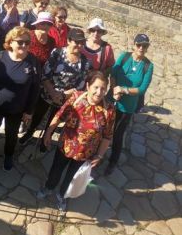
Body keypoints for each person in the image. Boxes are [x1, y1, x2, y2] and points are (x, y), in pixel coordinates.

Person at [38, 71, 115, 212]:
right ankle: (48, 187)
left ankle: (62, 195)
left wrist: (99, 155)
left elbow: (107, 136)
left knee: (72, 177)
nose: (99, 92)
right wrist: (48, 133)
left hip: (86, 153)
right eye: (96, 87)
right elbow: (60, 115)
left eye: (103, 88)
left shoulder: (109, 110)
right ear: (88, 86)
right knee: (56, 170)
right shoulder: (76, 98)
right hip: (65, 146)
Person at [0, 26, 41, 170]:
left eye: (27, 42)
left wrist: (29, 111)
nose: (24, 45)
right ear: (11, 42)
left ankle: (8, 155)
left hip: (17, 108)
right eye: (20, 42)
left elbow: (35, 88)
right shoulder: (0, 58)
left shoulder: (33, 62)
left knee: (12, 133)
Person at [19, 28, 90, 148]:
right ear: (68, 40)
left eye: (82, 42)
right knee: (38, 116)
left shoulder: (85, 62)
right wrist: (53, 93)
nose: (79, 45)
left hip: (65, 98)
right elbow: (45, 74)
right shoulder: (57, 53)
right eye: (76, 42)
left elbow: (80, 85)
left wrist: (64, 95)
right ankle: (30, 132)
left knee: (54, 121)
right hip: (47, 93)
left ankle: (45, 139)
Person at [105, 34, 154, 175]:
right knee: (103, 127)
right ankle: (96, 153)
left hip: (127, 107)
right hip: (112, 99)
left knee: (118, 134)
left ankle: (113, 161)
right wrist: (115, 89)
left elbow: (142, 89)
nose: (141, 48)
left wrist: (124, 90)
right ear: (134, 45)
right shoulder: (124, 56)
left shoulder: (148, 66)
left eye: (144, 46)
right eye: (139, 45)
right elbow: (113, 73)